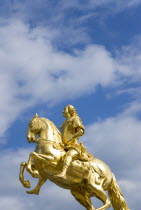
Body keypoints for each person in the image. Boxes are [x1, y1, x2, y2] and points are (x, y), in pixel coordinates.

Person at [56, 105, 86, 179]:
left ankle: (63, 173)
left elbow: (80, 132)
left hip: (73, 145)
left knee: (69, 154)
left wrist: (70, 140)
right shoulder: (64, 122)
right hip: (63, 145)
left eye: (65, 110)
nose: (63, 112)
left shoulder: (75, 119)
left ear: (69, 111)